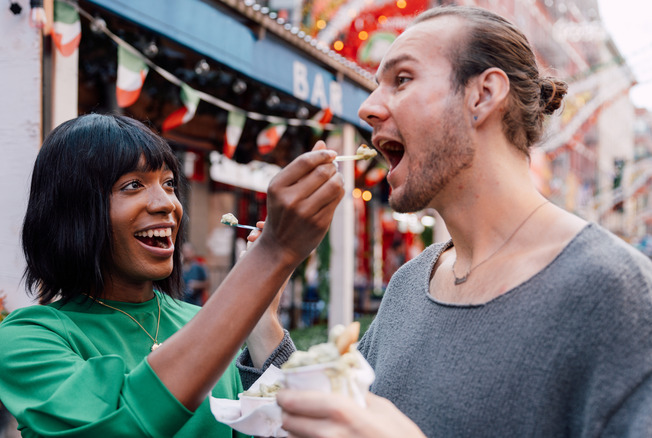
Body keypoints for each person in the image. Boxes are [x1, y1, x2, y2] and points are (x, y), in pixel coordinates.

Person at [276, 5, 652, 438]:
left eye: (402, 80)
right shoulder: (409, 285)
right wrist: (264, 315)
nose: (368, 108)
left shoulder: (616, 294)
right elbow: (335, 413)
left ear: (483, 95)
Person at [0, 114, 344, 437]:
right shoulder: (28, 340)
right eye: (133, 185)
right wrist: (269, 257)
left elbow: (273, 429)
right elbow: (123, 426)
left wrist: (262, 322)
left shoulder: (203, 323)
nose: (167, 204)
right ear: (73, 211)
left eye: (170, 183)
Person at [181, 241, 209, 306]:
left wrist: (197, 284)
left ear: (193, 252)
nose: (186, 254)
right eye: (184, 252)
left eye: (188, 252)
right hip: (182, 302)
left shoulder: (199, 266)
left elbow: (208, 284)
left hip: (195, 303)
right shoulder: (179, 268)